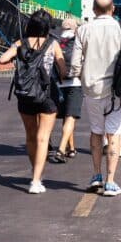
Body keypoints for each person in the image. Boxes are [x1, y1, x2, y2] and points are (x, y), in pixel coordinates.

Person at [0, 10, 67, 193]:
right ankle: (36, 180)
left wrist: (19, 54)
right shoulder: (53, 43)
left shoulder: (21, 43)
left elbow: (2, 59)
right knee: (43, 138)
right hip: (46, 94)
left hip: (25, 93)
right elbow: (62, 70)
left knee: (30, 136)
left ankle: (35, 171)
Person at [77, 0, 121, 196]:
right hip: (117, 90)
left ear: (93, 9)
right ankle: (110, 181)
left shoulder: (83, 29)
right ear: (113, 9)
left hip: (92, 89)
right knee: (114, 134)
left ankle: (96, 175)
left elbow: (75, 63)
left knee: (96, 131)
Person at [51, 17, 84, 163]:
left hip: (57, 83)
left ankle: (71, 148)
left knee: (65, 117)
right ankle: (61, 149)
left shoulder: (54, 40)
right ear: (74, 27)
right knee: (71, 117)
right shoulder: (78, 40)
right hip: (75, 82)